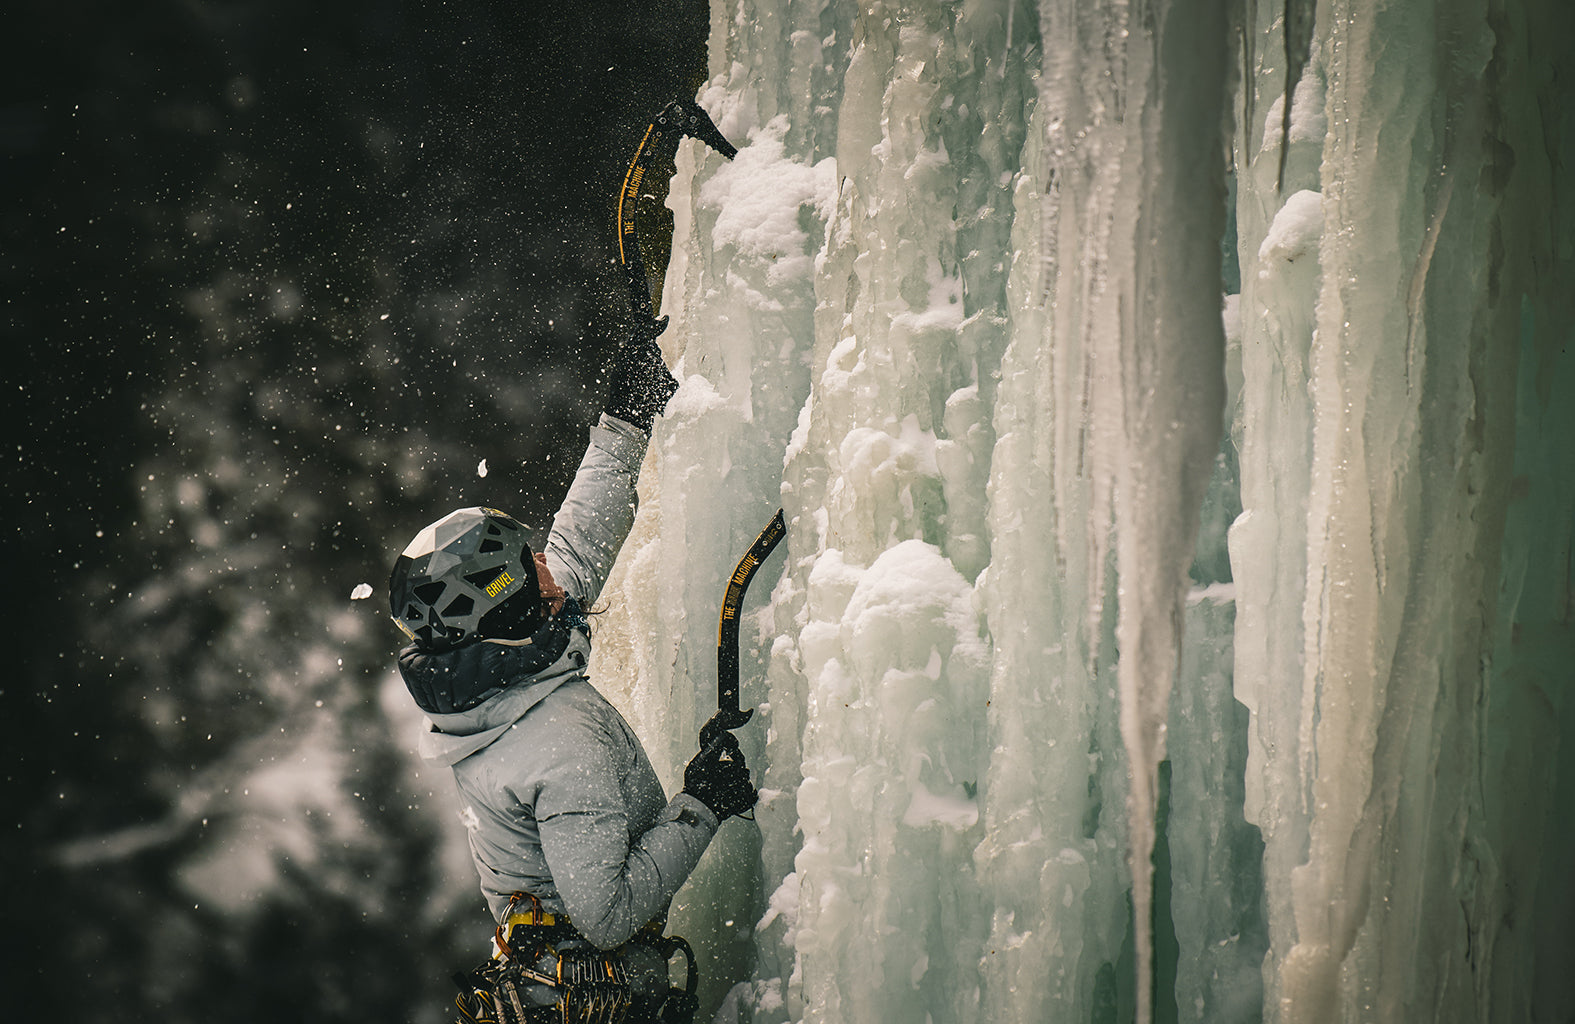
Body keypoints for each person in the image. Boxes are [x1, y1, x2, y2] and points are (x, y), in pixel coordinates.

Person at [387, 317, 758, 1024]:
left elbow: (579, 544)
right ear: (506, 600)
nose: (546, 563)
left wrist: (624, 420)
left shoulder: (500, 672)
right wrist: (702, 804)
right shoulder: (556, 746)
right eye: (527, 564)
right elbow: (611, 914)